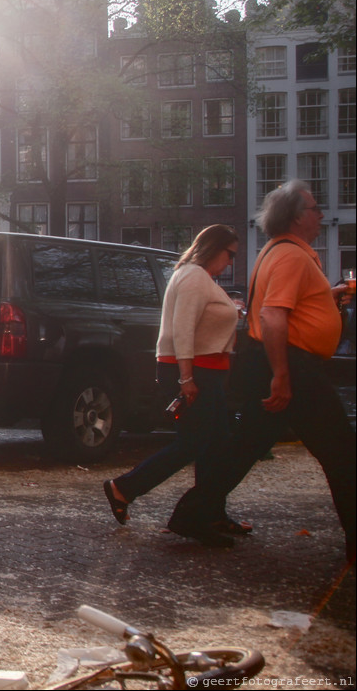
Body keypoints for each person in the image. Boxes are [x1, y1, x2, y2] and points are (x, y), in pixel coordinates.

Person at [167, 181, 355, 557]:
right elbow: (271, 316)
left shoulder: (277, 252)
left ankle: (192, 513)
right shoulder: (291, 257)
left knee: (245, 445)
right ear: (296, 218)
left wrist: (326, 297)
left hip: (272, 360)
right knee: (341, 450)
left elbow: (280, 308)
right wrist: (282, 375)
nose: (321, 215)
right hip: (292, 364)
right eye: (315, 209)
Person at [103, 225, 241, 536]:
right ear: (213, 248)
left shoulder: (196, 276)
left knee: (215, 445)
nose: (230, 262)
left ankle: (210, 513)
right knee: (197, 443)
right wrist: (187, 378)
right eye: (229, 254)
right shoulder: (194, 277)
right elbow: (182, 329)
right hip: (198, 372)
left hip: (204, 371)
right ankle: (125, 487)